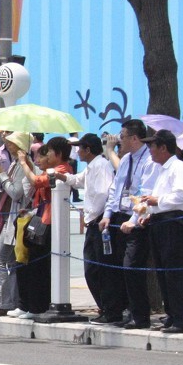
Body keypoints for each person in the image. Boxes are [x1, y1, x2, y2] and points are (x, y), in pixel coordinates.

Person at [135, 130, 183, 333]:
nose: (150, 150)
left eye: (152, 146)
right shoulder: (162, 170)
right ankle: (173, 313)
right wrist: (151, 213)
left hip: (174, 226)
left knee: (174, 273)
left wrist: (157, 200)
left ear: (163, 147)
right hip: (161, 223)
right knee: (163, 272)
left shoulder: (178, 167)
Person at [99, 119, 156, 329]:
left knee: (132, 267)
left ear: (134, 138)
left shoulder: (149, 160)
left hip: (137, 219)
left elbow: (143, 192)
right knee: (119, 267)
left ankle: (140, 314)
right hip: (119, 217)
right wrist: (107, 214)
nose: (118, 140)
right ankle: (127, 310)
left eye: (122, 136)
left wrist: (133, 221)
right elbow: (116, 188)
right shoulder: (125, 160)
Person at [56, 133, 118, 322]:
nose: (77, 151)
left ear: (88, 149)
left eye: (80, 148)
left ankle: (111, 309)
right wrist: (63, 177)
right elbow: (78, 180)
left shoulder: (101, 166)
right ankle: (105, 307)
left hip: (99, 222)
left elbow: (102, 193)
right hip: (94, 222)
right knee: (92, 268)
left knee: (101, 269)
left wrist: (91, 215)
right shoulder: (91, 167)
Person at [14, 137, 73, 318]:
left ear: (58, 154)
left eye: (48, 153)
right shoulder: (54, 169)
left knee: (40, 267)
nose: (44, 157)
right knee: (33, 265)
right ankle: (32, 304)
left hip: (51, 221)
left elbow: (37, 182)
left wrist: (24, 163)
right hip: (42, 218)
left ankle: (38, 306)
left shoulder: (63, 170)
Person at [0, 132, 34, 317]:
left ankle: (4, 302)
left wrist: (2, 176)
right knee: (11, 261)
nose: (8, 144)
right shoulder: (15, 163)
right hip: (11, 217)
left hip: (16, 218)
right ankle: (11, 301)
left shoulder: (23, 165)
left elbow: (16, 193)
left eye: (12, 142)